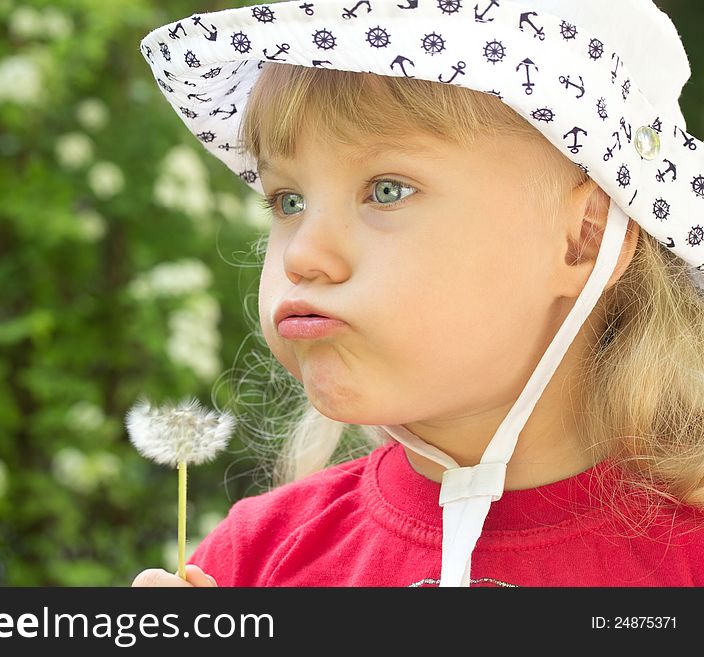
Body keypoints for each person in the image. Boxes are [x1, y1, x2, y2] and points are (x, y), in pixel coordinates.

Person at [131, 0, 704, 586]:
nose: (302, 254)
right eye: (287, 201)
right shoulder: (251, 560)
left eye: (385, 190)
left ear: (582, 238)